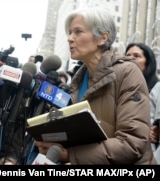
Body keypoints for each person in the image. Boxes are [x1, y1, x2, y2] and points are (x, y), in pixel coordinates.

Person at [34, 6, 157, 164]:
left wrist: (71, 155)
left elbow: (132, 143)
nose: (70, 38)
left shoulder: (127, 72)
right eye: (70, 32)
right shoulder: (78, 79)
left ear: (102, 38)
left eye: (78, 31)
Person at [125, 43, 160, 164]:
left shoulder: (157, 88)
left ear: (148, 62)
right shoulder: (120, 88)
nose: (130, 58)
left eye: (136, 56)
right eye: (127, 55)